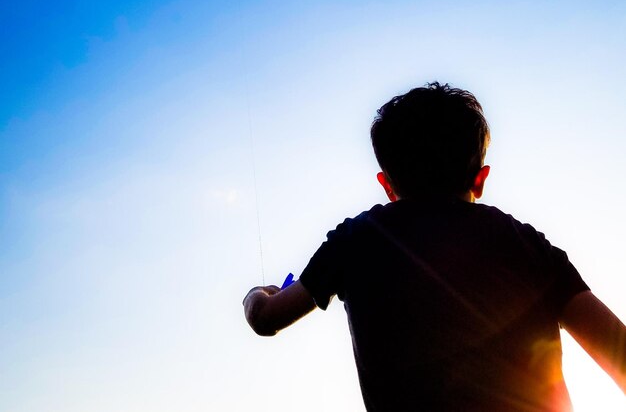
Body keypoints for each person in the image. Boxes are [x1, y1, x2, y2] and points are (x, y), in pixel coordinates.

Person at [243, 82, 625, 411]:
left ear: (387, 185)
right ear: (480, 179)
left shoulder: (356, 238)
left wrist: (256, 295)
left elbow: (267, 319)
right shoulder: (528, 245)